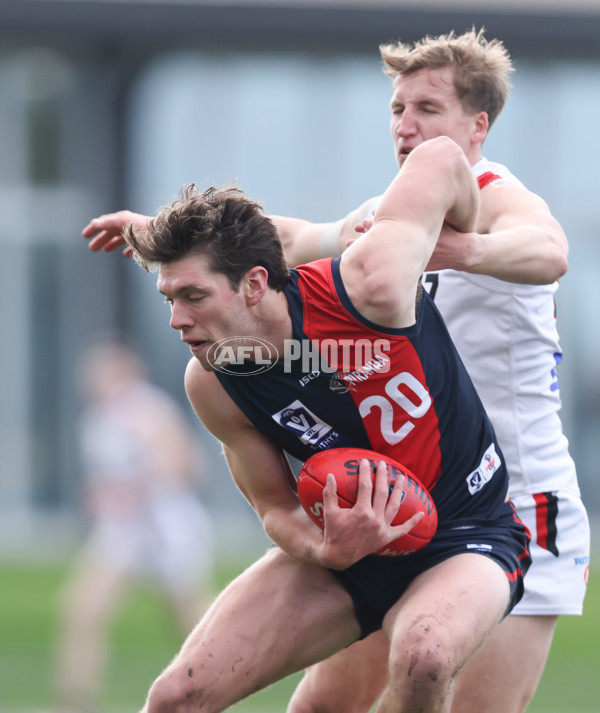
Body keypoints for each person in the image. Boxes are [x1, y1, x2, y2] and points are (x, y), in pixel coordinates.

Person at [81, 28, 590, 713]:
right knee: (322, 706)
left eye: (428, 110)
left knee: (446, 682)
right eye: (396, 108)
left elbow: (551, 250)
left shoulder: (491, 197)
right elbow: (278, 242)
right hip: (394, 490)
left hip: (512, 497)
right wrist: (160, 233)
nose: (406, 125)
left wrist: (455, 251)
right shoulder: (387, 223)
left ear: (478, 125)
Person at [116, 136, 530, 713]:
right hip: (348, 554)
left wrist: (464, 240)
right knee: (175, 698)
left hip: (465, 531)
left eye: (192, 296)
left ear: (255, 284)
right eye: (168, 298)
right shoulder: (214, 381)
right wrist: (326, 547)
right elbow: (275, 508)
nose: (176, 320)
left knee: (423, 656)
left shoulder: (369, 286)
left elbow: (439, 157)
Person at [55, 341, 214, 713]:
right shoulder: (96, 420)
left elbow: (184, 464)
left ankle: (213, 688)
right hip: (124, 530)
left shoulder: (148, 410)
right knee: (83, 607)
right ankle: (74, 700)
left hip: (165, 524)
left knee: (192, 620)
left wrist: (139, 485)